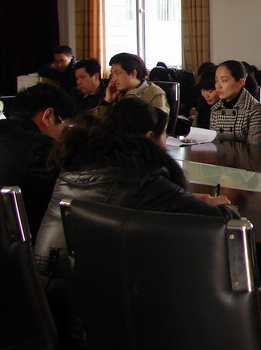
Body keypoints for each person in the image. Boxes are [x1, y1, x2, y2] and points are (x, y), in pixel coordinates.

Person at [34, 98, 239, 342]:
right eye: (164, 135)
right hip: (96, 310)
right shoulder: (143, 178)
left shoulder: (75, 163)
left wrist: (183, 198)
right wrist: (227, 206)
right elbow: (221, 223)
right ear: (149, 137)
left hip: (45, 295)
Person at [0, 83, 74, 234]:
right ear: (48, 116)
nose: (62, 136)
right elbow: (56, 206)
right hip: (13, 241)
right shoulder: (40, 145)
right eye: (65, 127)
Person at [209, 60, 261, 144]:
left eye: (224, 80)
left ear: (240, 83)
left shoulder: (255, 109)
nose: (218, 86)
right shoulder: (216, 108)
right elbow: (213, 143)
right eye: (216, 80)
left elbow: (255, 147)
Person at [94, 52, 168, 116]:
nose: (113, 79)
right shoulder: (117, 93)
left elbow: (159, 124)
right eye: (112, 74)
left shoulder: (155, 94)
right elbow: (96, 123)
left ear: (133, 73)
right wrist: (107, 101)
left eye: (117, 73)